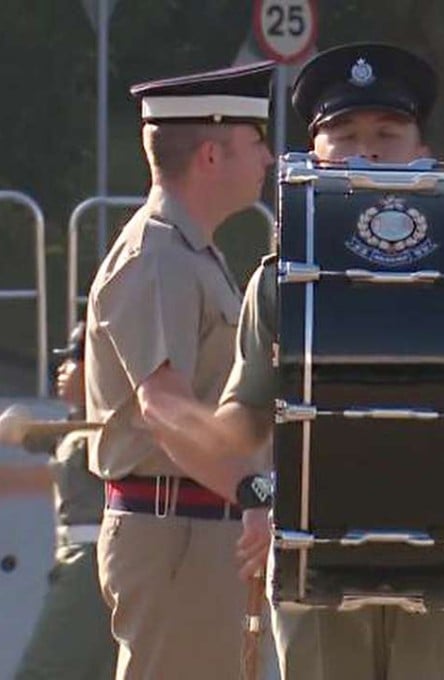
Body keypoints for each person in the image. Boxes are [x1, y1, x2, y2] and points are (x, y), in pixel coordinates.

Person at [137, 43, 444, 680]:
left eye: (387, 133)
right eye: (345, 135)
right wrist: (231, 464)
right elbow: (245, 416)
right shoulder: (282, 281)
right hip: (317, 562)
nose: (367, 151)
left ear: (421, 153)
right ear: (315, 154)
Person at [84, 61, 275, 679]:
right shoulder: (158, 256)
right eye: (258, 143)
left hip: (200, 529)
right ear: (212, 156)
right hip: (177, 532)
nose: (270, 159)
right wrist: (254, 487)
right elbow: (162, 407)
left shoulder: (189, 252)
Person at [0, 322, 117, 679]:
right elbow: (38, 437)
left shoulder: (111, 426)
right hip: (88, 563)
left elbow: (54, 468)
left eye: (74, 359)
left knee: (43, 672)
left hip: (91, 566)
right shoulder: (79, 424)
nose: (63, 368)